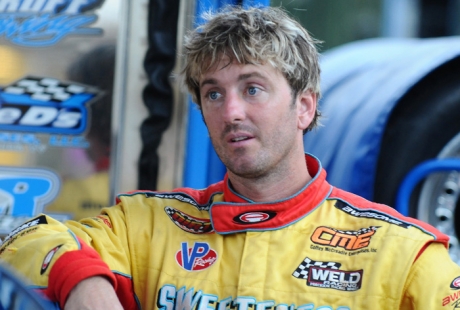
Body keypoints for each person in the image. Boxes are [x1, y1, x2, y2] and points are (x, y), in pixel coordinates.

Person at [0, 5, 459, 310]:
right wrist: (82, 281)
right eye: (213, 93)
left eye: (252, 88)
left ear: (305, 106)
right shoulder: (148, 224)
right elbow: (21, 239)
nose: (231, 111)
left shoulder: (398, 251)